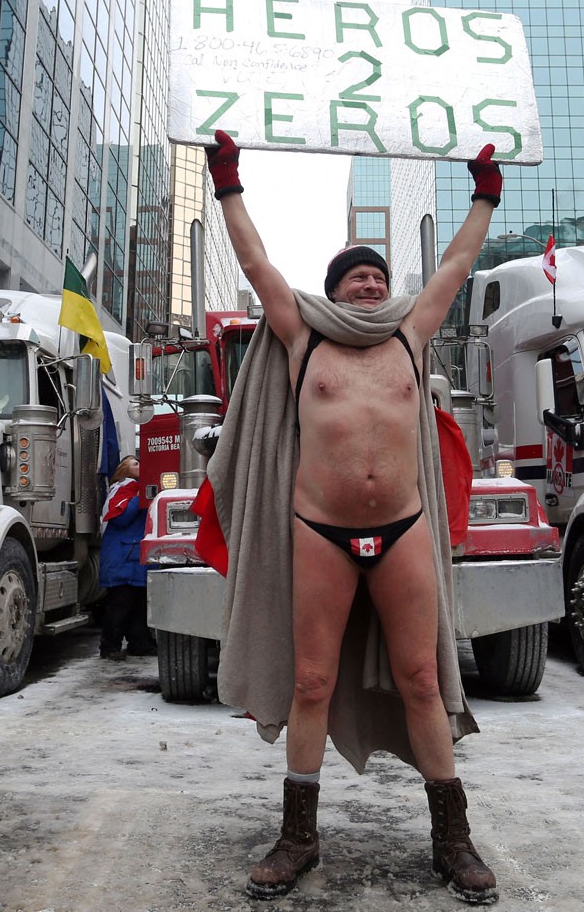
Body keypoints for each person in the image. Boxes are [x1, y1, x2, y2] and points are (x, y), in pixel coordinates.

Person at [200, 130, 503, 905]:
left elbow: (458, 265)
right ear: (334, 293)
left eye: (376, 275)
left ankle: (453, 839)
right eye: (354, 278)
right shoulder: (302, 336)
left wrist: (484, 196)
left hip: (402, 526)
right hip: (318, 529)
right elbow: (257, 263)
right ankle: (297, 836)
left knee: (422, 676)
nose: (369, 284)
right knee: (310, 680)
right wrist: (227, 180)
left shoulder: (411, 332)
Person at [97, 454, 154, 661]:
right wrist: (143, 497)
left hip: (131, 557)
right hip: (124, 558)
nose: (140, 465)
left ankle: (140, 644)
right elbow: (119, 517)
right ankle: (110, 646)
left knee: (137, 605)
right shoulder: (123, 488)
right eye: (135, 463)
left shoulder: (133, 489)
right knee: (120, 607)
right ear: (123, 470)